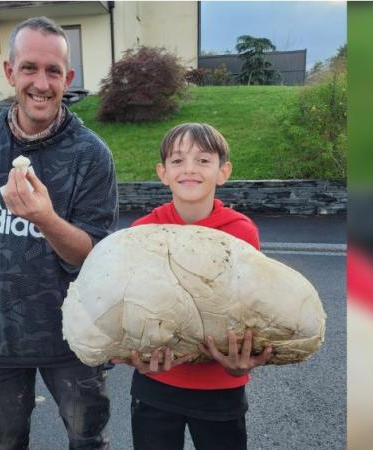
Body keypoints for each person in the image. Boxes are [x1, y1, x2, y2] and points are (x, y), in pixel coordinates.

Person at [0, 17, 117, 450]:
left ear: (68, 79)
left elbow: (96, 257)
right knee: (2, 444)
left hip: (75, 341)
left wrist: (45, 219)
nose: (41, 83)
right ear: (10, 72)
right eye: (29, 68)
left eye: (53, 71)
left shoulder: (91, 155)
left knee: (88, 442)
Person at [111, 123, 273, 450]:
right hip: (155, 383)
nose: (189, 169)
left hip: (220, 386)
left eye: (202, 160)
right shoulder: (142, 231)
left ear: (223, 171)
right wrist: (129, 353)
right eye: (177, 160)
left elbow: (253, 309)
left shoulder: (242, 233)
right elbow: (128, 308)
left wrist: (252, 353)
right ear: (163, 172)